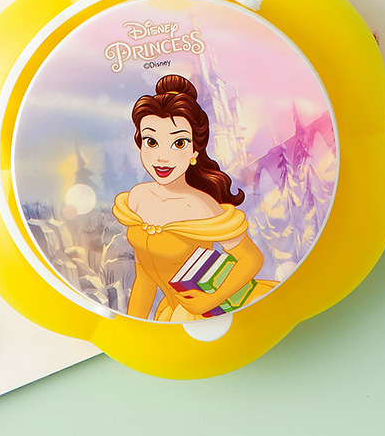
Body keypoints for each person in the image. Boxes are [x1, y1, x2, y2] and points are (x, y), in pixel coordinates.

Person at [113, 74, 274, 322]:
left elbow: (251, 258)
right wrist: (133, 324)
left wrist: (209, 300)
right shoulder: (137, 197)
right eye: (152, 141)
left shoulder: (201, 205)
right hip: (171, 313)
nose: (162, 157)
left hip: (204, 313)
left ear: (195, 150)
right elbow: (144, 277)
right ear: (140, 143)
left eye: (178, 143)